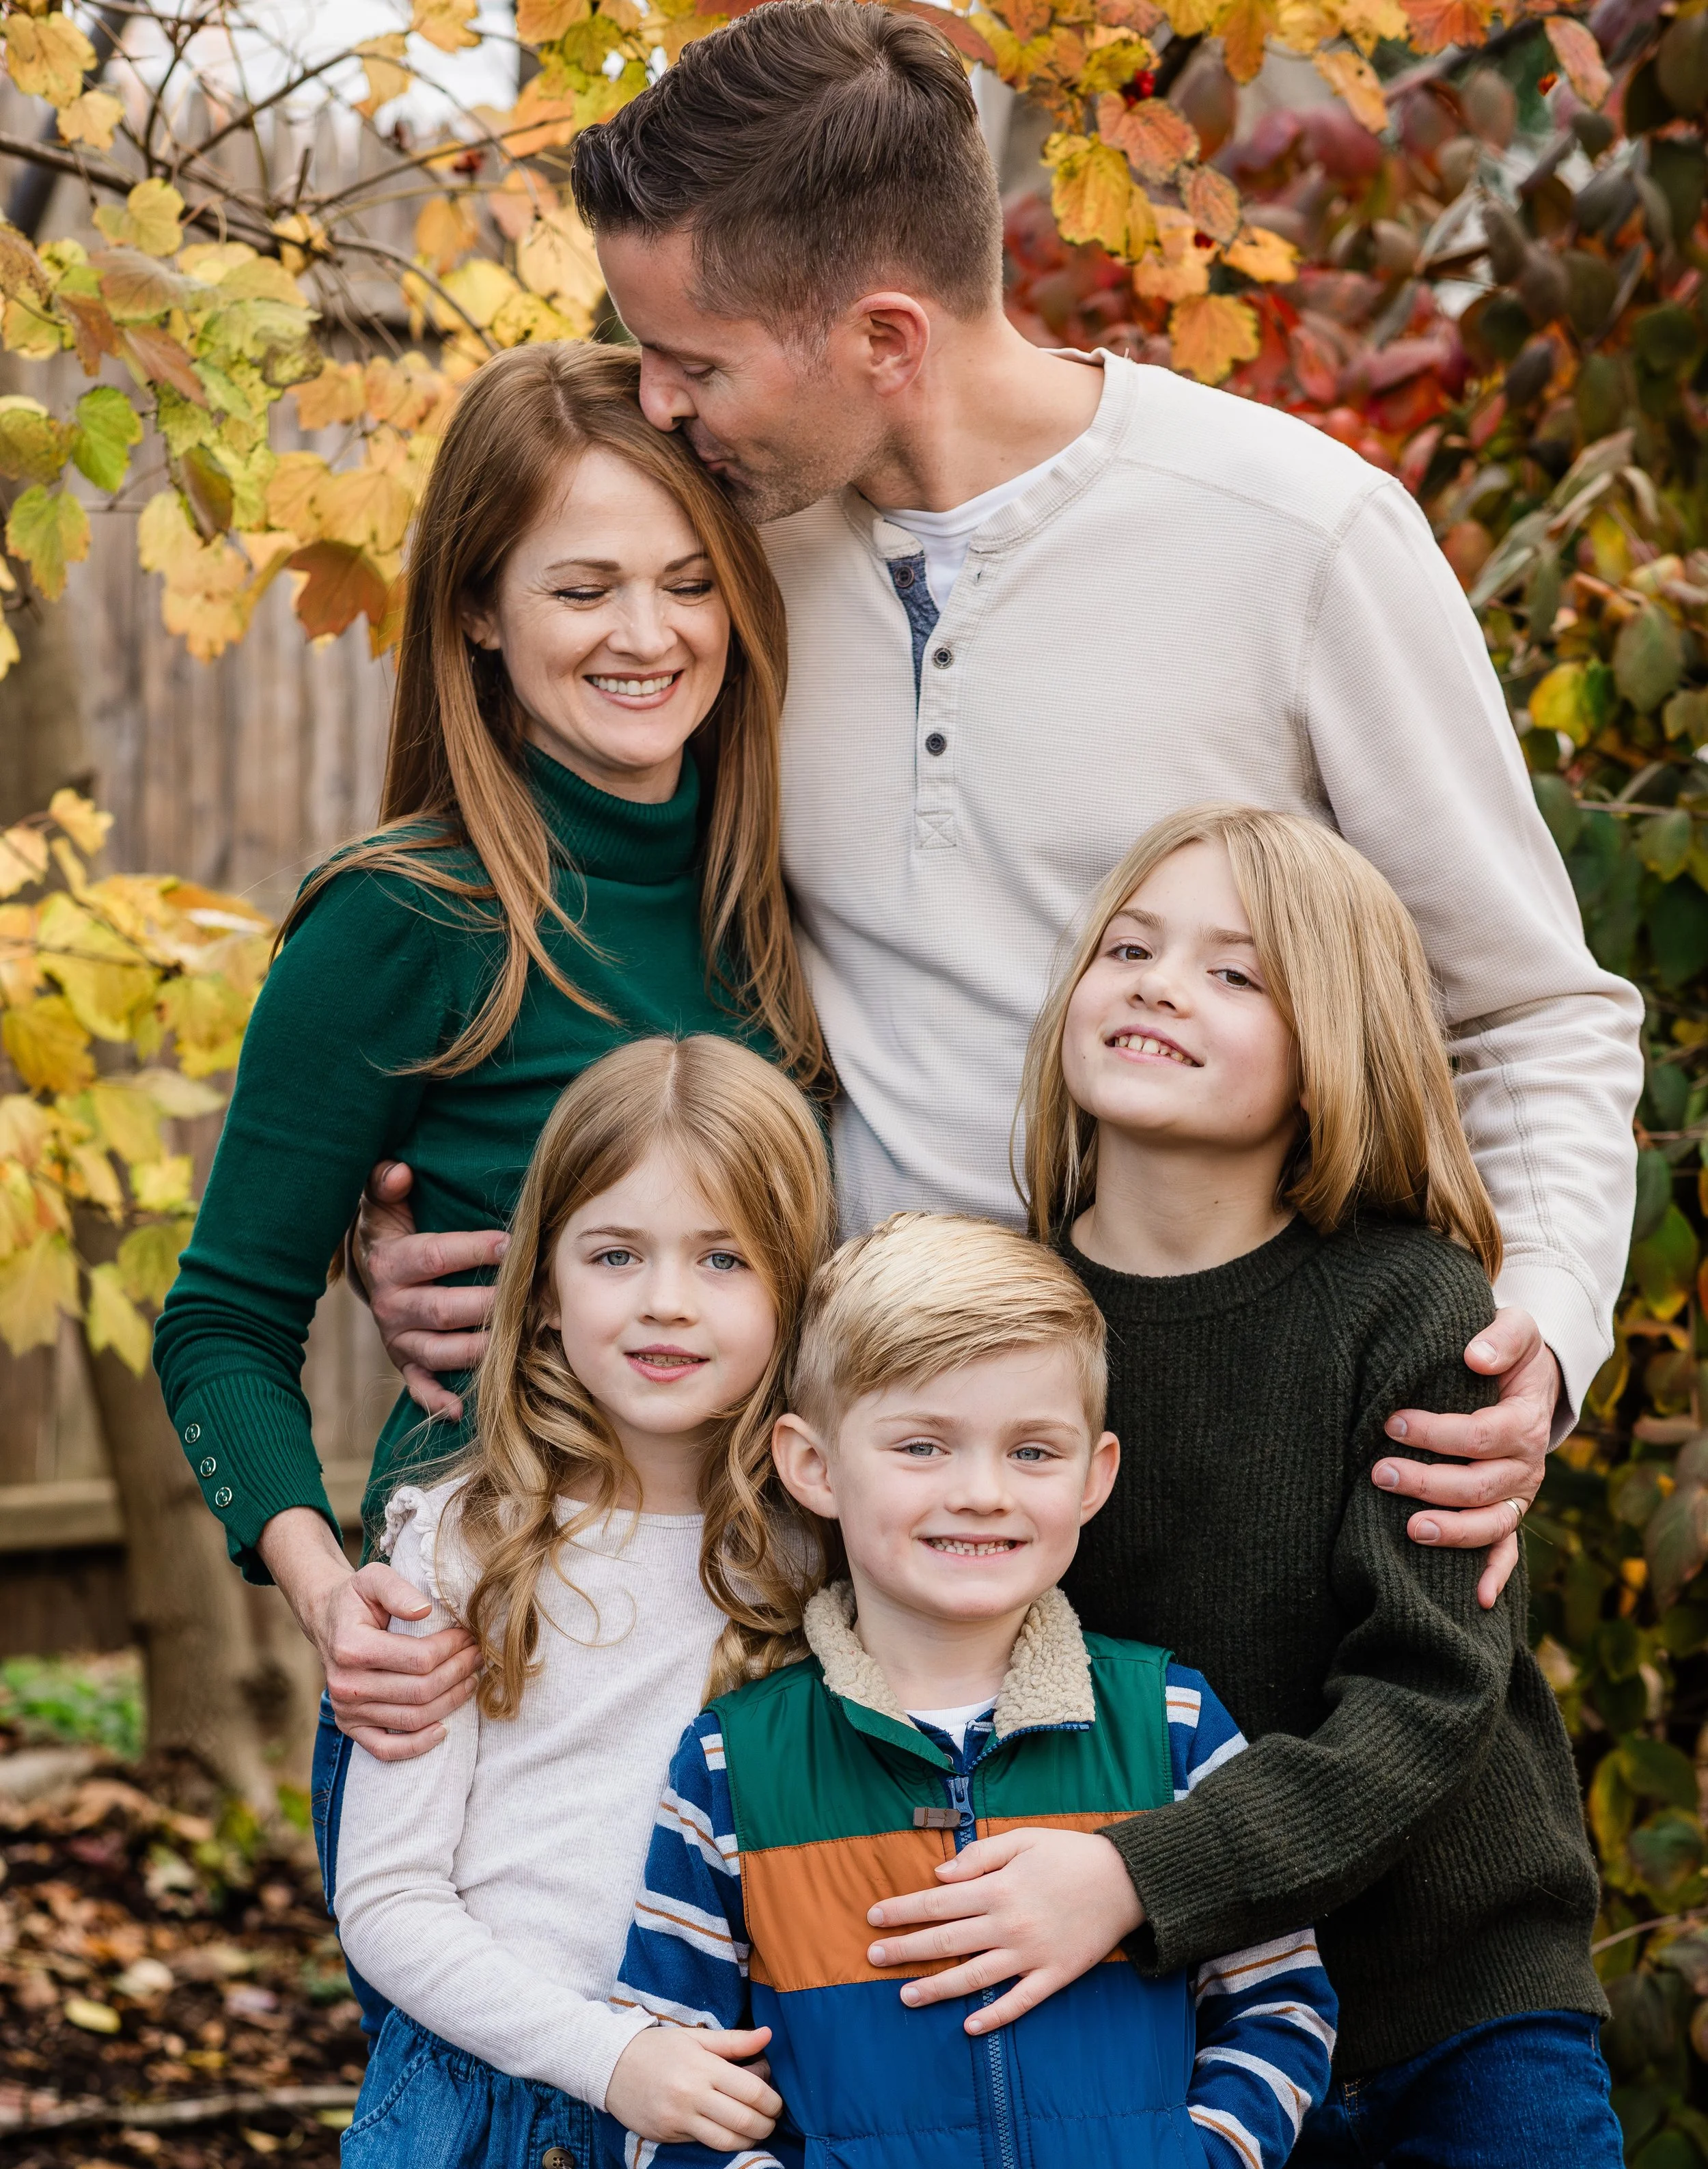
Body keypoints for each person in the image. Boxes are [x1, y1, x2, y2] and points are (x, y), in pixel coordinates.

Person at [344, 0, 1642, 1685]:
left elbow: (1528, 1008)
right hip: (844, 1489)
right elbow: (601, 914)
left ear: (884, 337)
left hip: (1232, 1453)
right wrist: (472, 1221)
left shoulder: (1297, 538)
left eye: (698, 362)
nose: (655, 407)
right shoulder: (718, 565)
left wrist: (1536, 1329)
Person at [865, 808, 1704, 2169]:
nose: (1160, 985)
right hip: (1221, 2019)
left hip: (1459, 1985)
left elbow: (1421, 1696)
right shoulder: (1019, 1329)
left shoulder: (1407, 1310)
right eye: (1131, 946)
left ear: (1336, 1048)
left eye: (1233, 971)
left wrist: (1129, 1875)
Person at [152, 339, 827, 1799]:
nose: (647, 634)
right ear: (475, 611)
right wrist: (335, 1603)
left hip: (766, 1652)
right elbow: (218, 1324)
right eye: (581, 589)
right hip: (493, 1651)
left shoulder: (791, 891)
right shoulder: (409, 917)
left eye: (690, 581)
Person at [609, 1212, 1338, 2169]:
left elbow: (1281, 2007)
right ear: (812, 1466)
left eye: (1030, 1451)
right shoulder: (739, 1765)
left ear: (1095, 1474)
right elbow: (662, 2064)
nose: (981, 1494)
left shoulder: (1166, 1725)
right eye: (922, 1445)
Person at [320, 1034, 835, 2169]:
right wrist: (608, 2061)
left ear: (798, 1293)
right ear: (541, 1284)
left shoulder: (824, 1568)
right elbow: (388, 1903)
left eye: (722, 1258)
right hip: (492, 2137)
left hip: (740, 2146)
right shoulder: (459, 1545)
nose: (663, 1301)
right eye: (615, 1253)